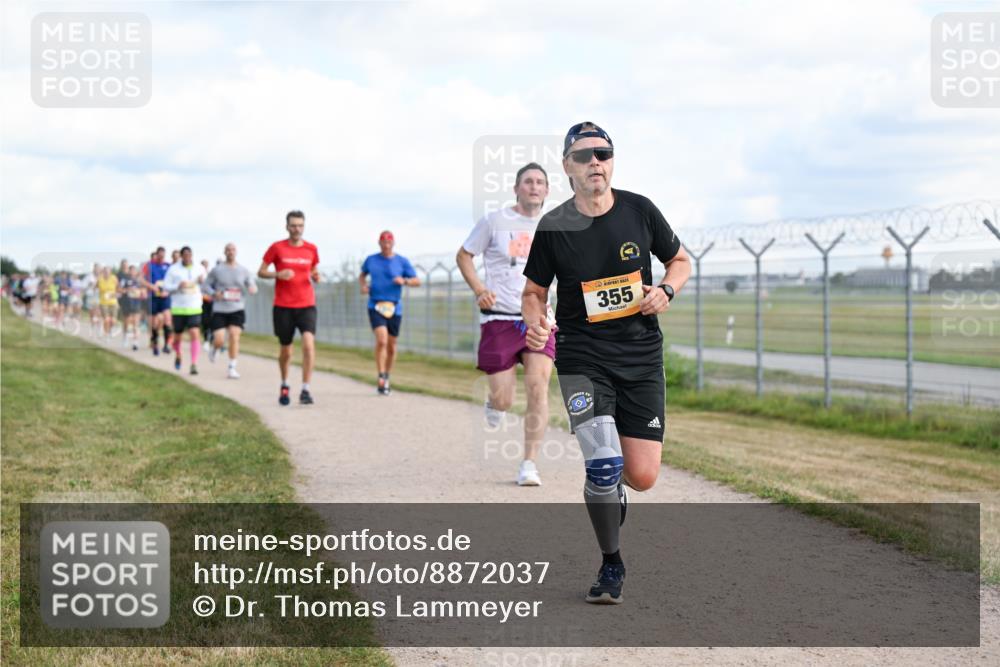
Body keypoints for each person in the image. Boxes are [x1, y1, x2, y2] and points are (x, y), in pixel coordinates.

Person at [522, 122, 691, 605]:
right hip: (582, 358)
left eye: (604, 153)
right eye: (584, 155)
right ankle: (611, 562)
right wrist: (536, 323)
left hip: (640, 357)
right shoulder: (554, 225)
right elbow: (534, 292)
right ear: (567, 166)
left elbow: (680, 261)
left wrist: (666, 290)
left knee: (641, 476)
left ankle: (613, 483)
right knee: (602, 464)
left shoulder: (640, 210)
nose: (595, 161)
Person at [457, 162, 555, 486]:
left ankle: (529, 464)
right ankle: (494, 403)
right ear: (516, 188)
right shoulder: (494, 221)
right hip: (500, 317)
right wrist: (479, 289)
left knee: (539, 387)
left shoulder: (554, 227)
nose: (534, 187)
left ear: (547, 190)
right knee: (504, 399)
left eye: (540, 182)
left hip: (539, 319)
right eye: (528, 181)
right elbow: (464, 255)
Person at [258, 210, 321, 405]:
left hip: (306, 304)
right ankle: (285, 384)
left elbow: (313, 269)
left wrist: (316, 276)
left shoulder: (311, 248)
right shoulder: (277, 247)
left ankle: (305, 389)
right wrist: (278, 274)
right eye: (293, 225)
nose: (297, 229)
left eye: (300, 225)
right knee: (286, 350)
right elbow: (261, 272)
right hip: (283, 306)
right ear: (287, 227)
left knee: (308, 345)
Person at [359, 231, 419, 395]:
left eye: (389, 242)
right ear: (379, 243)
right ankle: (380, 376)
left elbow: (417, 281)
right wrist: (363, 286)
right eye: (383, 242)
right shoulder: (371, 260)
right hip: (375, 305)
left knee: (392, 346)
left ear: (393, 243)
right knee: (382, 340)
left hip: (394, 307)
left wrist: (404, 280)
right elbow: (362, 275)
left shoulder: (402, 261)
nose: (386, 245)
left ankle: (387, 375)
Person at [206, 243, 257, 379]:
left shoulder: (243, 270)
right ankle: (215, 348)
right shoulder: (217, 270)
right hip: (220, 309)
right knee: (219, 339)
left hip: (237, 308)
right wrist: (214, 293)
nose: (230, 252)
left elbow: (251, 283)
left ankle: (232, 367)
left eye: (233, 249)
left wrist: (252, 288)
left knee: (234, 336)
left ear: (236, 252)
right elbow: (205, 286)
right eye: (228, 250)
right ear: (224, 252)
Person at [161, 246, 207, 374]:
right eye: (185, 255)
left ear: (192, 255)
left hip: (194, 306)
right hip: (179, 308)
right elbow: (166, 286)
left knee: (194, 332)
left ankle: (194, 363)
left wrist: (203, 281)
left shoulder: (200, 268)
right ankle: (178, 354)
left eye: (189, 255)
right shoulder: (173, 269)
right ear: (181, 256)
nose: (187, 257)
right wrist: (178, 286)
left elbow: (207, 284)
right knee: (177, 338)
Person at [140, 247, 173, 356]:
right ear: (156, 255)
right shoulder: (149, 265)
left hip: (165, 296)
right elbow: (141, 280)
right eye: (160, 256)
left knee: (167, 318)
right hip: (153, 297)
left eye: (163, 256)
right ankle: (154, 342)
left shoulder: (168, 266)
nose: (161, 258)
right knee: (155, 322)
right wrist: (151, 286)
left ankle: (167, 345)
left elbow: (173, 280)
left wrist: (168, 290)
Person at [119, 265, 143, 350]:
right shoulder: (124, 280)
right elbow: (119, 289)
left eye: (134, 270)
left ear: (136, 272)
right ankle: (125, 337)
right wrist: (127, 290)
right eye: (131, 270)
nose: (132, 272)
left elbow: (143, 291)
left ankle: (135, 342)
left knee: (136, 323)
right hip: (127, 303)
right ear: (129, 272)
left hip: (136, 303)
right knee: (127, 322)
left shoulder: (139, 281)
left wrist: (140, 292)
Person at [96, 266, 120, 338]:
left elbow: (118, 288)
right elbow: (95, 288)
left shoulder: (114, 278)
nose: (106, 273)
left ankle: (110, 330)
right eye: (105, 271)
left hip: (113, 302)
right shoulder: (100, 279)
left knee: (113, 320)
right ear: (103, 272)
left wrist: (116, 294)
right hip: (103, 302)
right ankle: (106, 333)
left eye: (108, 271)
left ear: (110, 272)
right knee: (106, 320)